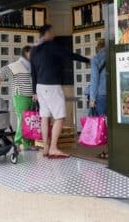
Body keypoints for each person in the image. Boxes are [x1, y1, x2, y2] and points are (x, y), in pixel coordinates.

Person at [30, 25, 90, 158]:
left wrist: (34, 91)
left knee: (44, 117)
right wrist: (87, 60)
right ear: (47, 33)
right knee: (59, 117)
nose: (54, 35)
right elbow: (69, 55)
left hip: (40, 87)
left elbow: (32, 72)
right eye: (52, 32)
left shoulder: (34, 50)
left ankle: (45, 147)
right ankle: (53, 148)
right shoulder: (52, 46)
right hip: (52, 86)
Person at [0, 46, 34, 151]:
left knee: (28, 121)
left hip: (30, 97)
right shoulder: (17, 65)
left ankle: (26, 144)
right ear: (26, 53)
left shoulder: (30, 66)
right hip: (20, 96)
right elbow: (3, 71)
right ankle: (16, 142)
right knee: (23, 119)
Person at [88, 38, 108, 159]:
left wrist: (92, 99)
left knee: (103, 123)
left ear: (98, 48)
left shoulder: (96, 59)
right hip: (113, 93)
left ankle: (106, 151)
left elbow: (94, 80)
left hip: (101, 95)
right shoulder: (113, 55)